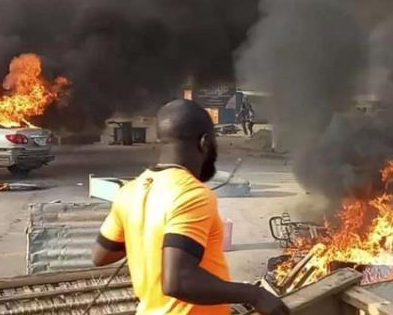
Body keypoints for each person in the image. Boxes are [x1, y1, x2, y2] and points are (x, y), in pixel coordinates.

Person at [92, 99, 289, 315]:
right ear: (204, 143)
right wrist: (255, 295)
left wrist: (146, 236)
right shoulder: (192, 194)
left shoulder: (130, 190)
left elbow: (102, 255)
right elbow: (178, 282)